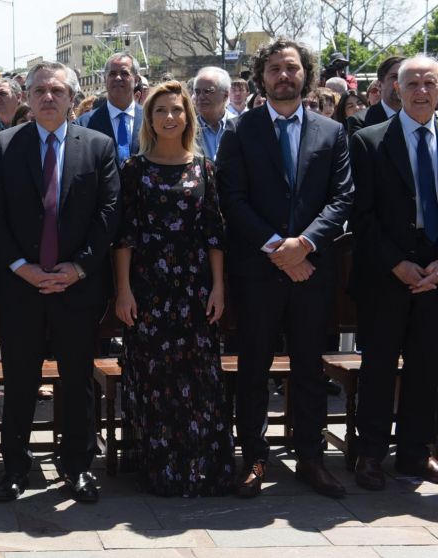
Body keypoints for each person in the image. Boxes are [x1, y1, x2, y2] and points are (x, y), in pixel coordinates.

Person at [215, 38, 353, 500]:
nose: (283, 76)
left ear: (306, 75)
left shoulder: (331, 132)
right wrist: (279, 248)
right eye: (273, 68)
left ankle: (310, 457)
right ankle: (253, 455)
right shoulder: (240, 131)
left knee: (310, 368)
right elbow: (231, 197)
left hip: (313, 271)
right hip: (257, 271)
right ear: (261, 76)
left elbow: (341, 198)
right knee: (253, 368)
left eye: (291, 68)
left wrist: (305, 245)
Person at [0, 61, 120, 504]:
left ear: (72, 99)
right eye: (38, 90)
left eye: (56, 91)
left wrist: (78, 268)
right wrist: (22, 267)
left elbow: (109, 215)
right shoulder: (3, 146)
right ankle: (16, 468)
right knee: (20, 379)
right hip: (22, 284)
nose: (47, 98)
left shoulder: (98, 147)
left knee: (77, 378)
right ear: (27, 96)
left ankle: (77, 466)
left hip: (77, 287)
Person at [114, 81, 234, 497]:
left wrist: (218, 288)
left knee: (200, 378)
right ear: (149, 118)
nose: (169, 117)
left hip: (195, 286)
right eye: (160, 110)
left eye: (176, 110)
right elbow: (125, 235)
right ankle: (159, 468)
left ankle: (202, 468)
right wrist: (123, 290)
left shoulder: (204, 168)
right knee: (154, 378)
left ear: (188, 117)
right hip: (149, 287)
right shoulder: (134, 169)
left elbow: (215, 232)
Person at [349, 55, 438, 491]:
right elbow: (360, 216)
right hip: (387, 271)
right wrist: (395, 263)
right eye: (413, 84)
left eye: (430, 83)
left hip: (435, 273)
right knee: (379, 366)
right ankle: (370, 454)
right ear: (395, 90)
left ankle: (415, 454)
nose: (422, 91)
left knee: (426, 366)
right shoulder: (369, 141)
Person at [77, 52, 143, 166]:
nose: (118, 78)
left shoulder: (151, 118)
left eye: (124, 73)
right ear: (104, 79)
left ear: (136, 79)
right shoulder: (83, 124)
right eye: (112, 74)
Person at [347, 56, 404, 135]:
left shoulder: (420, 116)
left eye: (404, 77)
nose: (399, 82)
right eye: (394, 77)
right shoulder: (360, 121)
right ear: (379, 85)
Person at [193, 66, 235, 161]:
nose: (201, 97)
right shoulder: (187, 129)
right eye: (197, 92)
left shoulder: (240, 125)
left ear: (225, 95)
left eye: (208, 91)